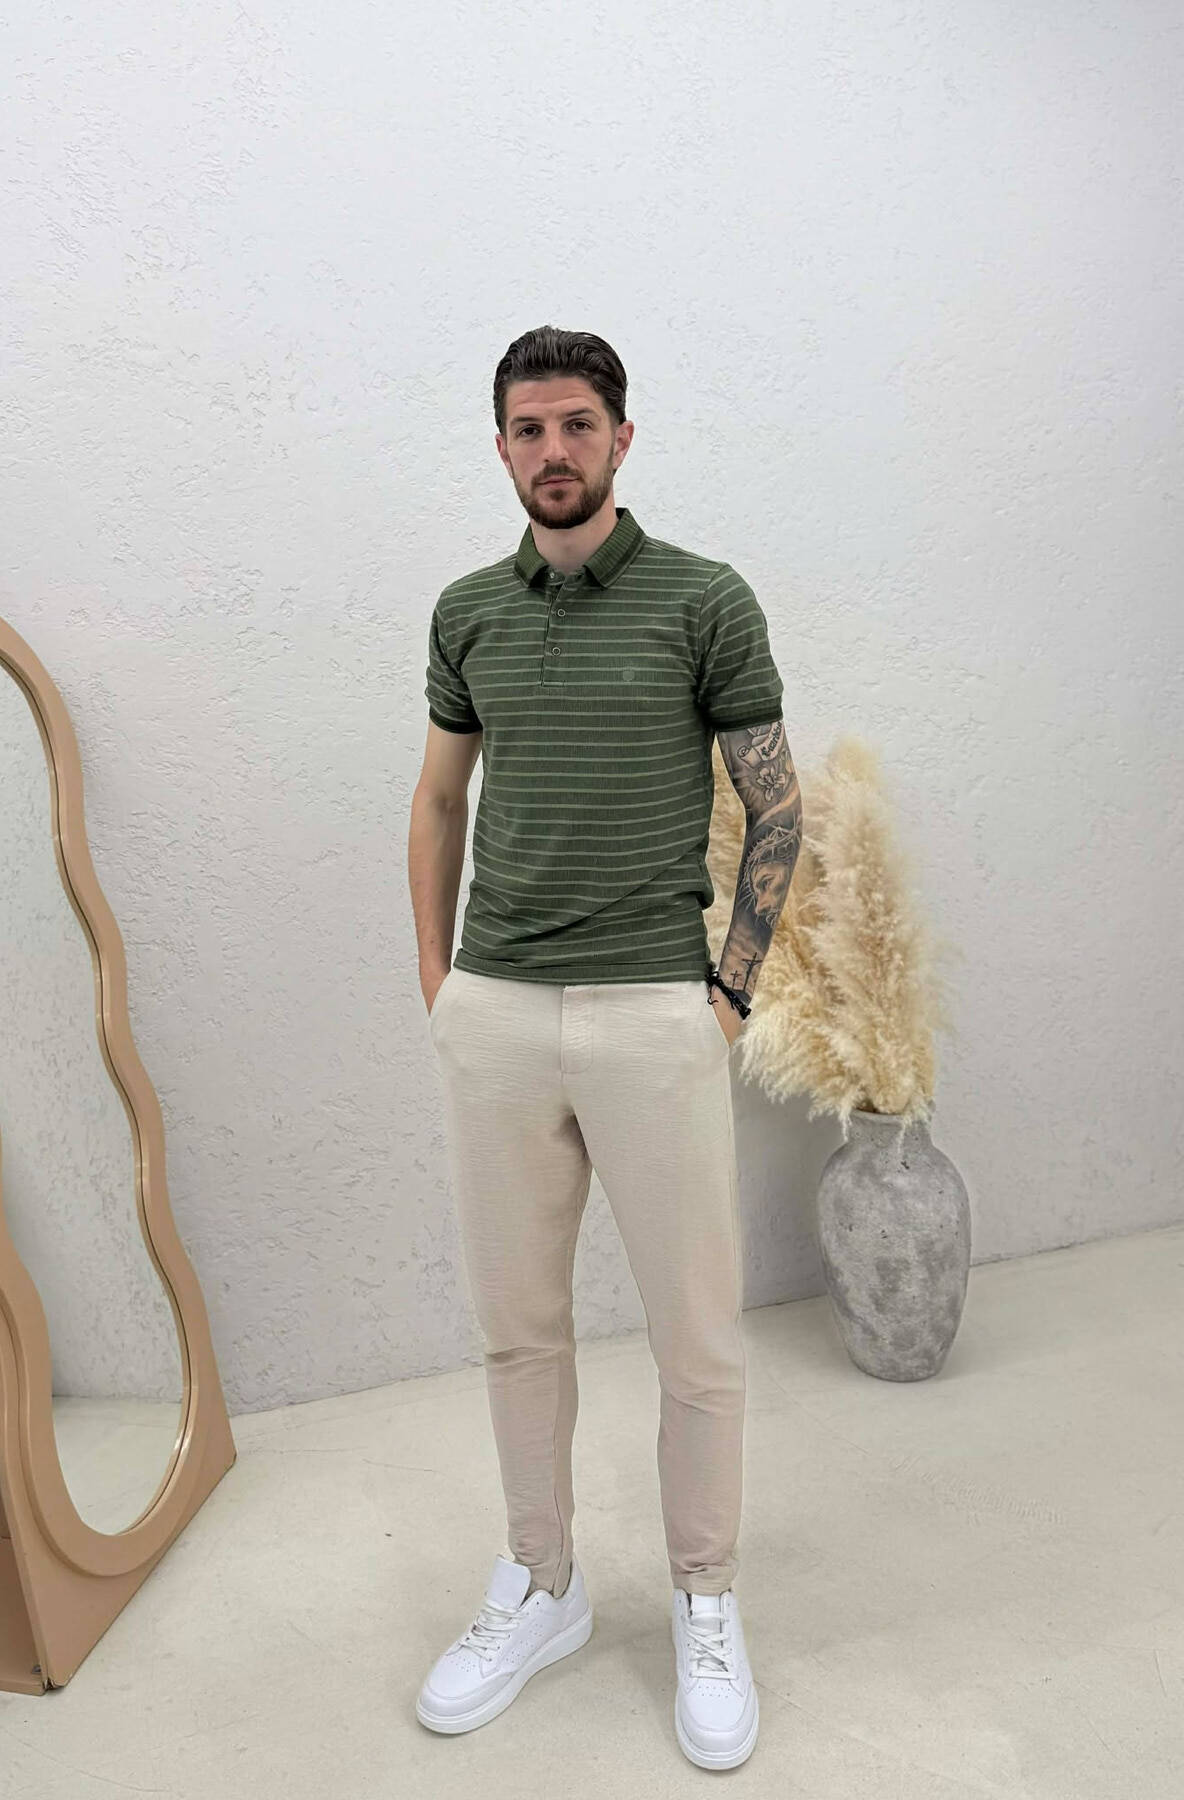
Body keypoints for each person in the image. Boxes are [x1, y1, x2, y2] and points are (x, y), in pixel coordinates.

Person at [407, 326, 802, 1769]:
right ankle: (544, 1581)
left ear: (622, 438)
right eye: (529, 429)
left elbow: (776, 805)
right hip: (499, 1015)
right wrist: (442, 985)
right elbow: (438, 801)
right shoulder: (466, 611)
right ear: (501, 447)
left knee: (696, 1336)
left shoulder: (705, 599)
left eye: (577, 424)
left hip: (654, 1009)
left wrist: (727, 994)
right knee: (517, 1326)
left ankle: (706, 1595)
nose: (553, 451)